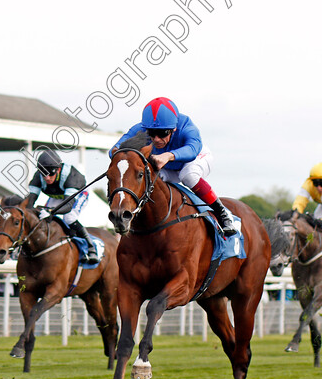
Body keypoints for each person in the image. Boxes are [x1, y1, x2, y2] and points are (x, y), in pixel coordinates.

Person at [110, 96, 238, 236]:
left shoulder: (187, 126)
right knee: (150, 180)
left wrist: (169, 155)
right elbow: (115, 150)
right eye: (152, 134)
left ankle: (223, 213)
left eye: (163, 133)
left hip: (194, 159)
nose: (156, 139)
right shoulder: (140, 129)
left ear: (174, 128)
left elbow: (192, 149)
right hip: (167, 168)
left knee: (188, 176)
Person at [23, 149, 99, 264]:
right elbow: (30, 202)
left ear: (58, 170)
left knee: (69, 218)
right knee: (43, 218)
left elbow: (68, 206)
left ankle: (90, 247)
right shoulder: (38, 177)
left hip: (77, 194)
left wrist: (50, 211)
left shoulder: (71, 177)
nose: (47, 178)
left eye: (51, 174)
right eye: (44, 174)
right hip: (58, 196)